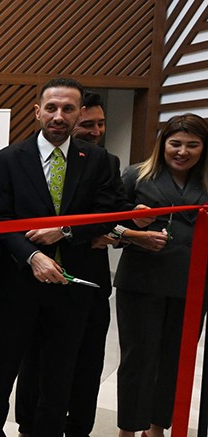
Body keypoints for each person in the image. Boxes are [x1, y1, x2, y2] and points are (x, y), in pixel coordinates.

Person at [0, 77, 119, 437]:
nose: (59, 115)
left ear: (78, 114)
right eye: (52, 107)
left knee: (58, 377)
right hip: (17, 285)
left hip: (71, 289)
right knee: (1, 373)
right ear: (37, 111)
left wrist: (65, 231)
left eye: (68, 109)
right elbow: (1, 220)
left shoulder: (100, 160)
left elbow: (106, 214)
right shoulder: (9, 158)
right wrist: (33, 257)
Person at [113, 113, 207, 437]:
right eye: (175, 143)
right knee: (137, 359)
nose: (182, 151)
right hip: (142, 281)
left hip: (192, 285)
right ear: (163, 144)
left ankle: (157, 427)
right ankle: (128, 428)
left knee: (176, 360)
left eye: (192, 145)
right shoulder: (136, 175)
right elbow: (109, 226)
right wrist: (133, 229)